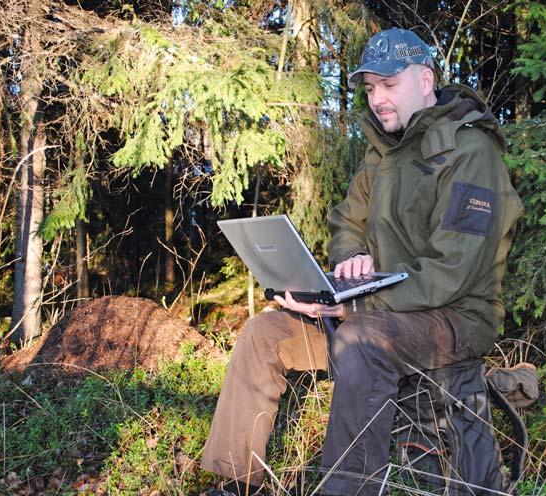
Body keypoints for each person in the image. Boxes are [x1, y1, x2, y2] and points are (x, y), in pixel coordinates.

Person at [201, 28, 524, 496]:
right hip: (378, 311)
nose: (378, 99)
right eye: (371, 88)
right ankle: (235, 481)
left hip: (453, 317)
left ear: (426, 80)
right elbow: (346, 223)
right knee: (264, 333)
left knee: (359, 338)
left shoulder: (470, 152)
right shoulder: (382, 155)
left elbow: (454, 269)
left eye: (390, 85)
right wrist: (350, 263)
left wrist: (354, 307)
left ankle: (346, 489)